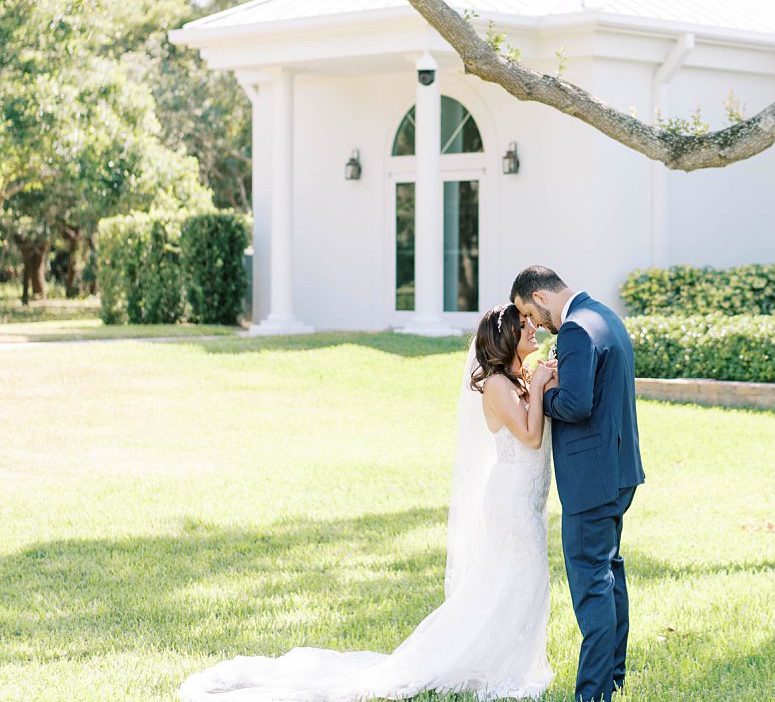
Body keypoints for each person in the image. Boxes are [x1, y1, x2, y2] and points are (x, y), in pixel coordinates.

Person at [180, 304, 557, 702]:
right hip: (511, 500)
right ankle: (498, 669)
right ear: (505, 339)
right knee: (517, 579)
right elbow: (531, 437)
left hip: (525, 497)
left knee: (520, 582)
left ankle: (506, 662)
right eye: (523, 325)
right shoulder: (499, 385)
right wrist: (538, 386)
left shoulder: (517, 380)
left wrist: (542, 381)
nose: (532, 327)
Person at [511, 266, 645, 702]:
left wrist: (538, 391)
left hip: (591, 480)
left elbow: (574, 403)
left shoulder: (573, 331)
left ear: (540, 296)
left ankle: (592, 693)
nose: (532, 323)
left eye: (528, 312)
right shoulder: (604, 315)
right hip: (619, 470)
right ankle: (614, 676)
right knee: (610, 574)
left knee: (591, 588)